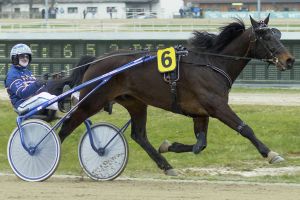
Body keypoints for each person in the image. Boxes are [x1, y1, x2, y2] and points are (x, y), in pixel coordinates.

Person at [4, 43, 58, 114]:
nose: (25, 58)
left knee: (52, 93)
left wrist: (50, 81)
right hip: (22, 104)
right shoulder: (12, 75)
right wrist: (38, 83)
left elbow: (40, 90)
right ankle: (61, 105)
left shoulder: (27, 72)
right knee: (43, 97)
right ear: (15, 58)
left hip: (31, 101)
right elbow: (23, 94)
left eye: (27, 56)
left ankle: (65, 101)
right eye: (22, 56)